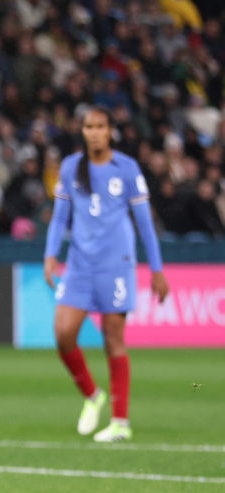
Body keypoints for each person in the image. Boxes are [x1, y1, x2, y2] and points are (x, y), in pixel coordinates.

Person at [43, 106, 169, 443]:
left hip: (117, 263)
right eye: (88, 126)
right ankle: (91, 395)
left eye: (100, 126)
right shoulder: (70, 167)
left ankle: (120, 422)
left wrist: (156, 269)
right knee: (63, 333)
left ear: (110, 131)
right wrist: (50, 255)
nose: (95, 132)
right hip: (81, 264)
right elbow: (59, 218)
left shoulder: (126, 168)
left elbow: (144, 222)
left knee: (114, 340)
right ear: (82, 130)